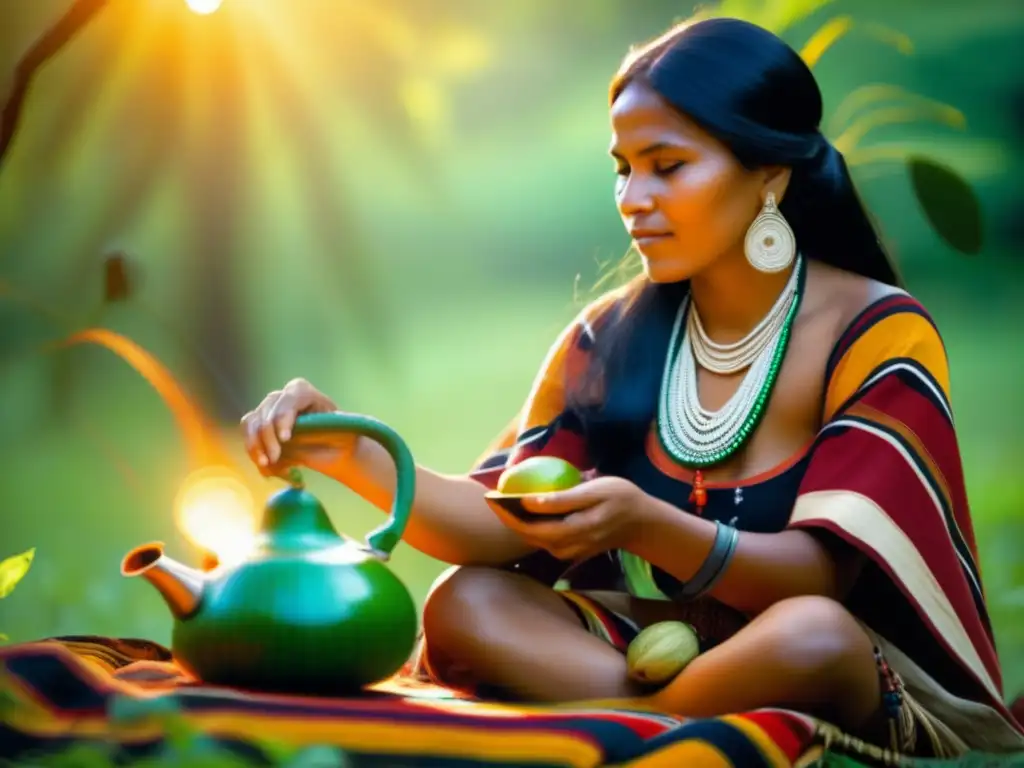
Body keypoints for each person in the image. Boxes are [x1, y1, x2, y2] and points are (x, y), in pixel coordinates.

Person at [240, 16, 1024, 759]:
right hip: (656, 647)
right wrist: (355, 451)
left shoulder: (878, 332)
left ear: (768, 176)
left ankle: (617, 725)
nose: (632, 200)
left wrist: (646, 524)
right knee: (466, 601)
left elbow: (820, 578)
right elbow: (501, 523)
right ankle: (660, 722)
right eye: (622, 168)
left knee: (812, 635)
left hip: (827, 656)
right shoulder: (607, 336)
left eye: (668, 166)